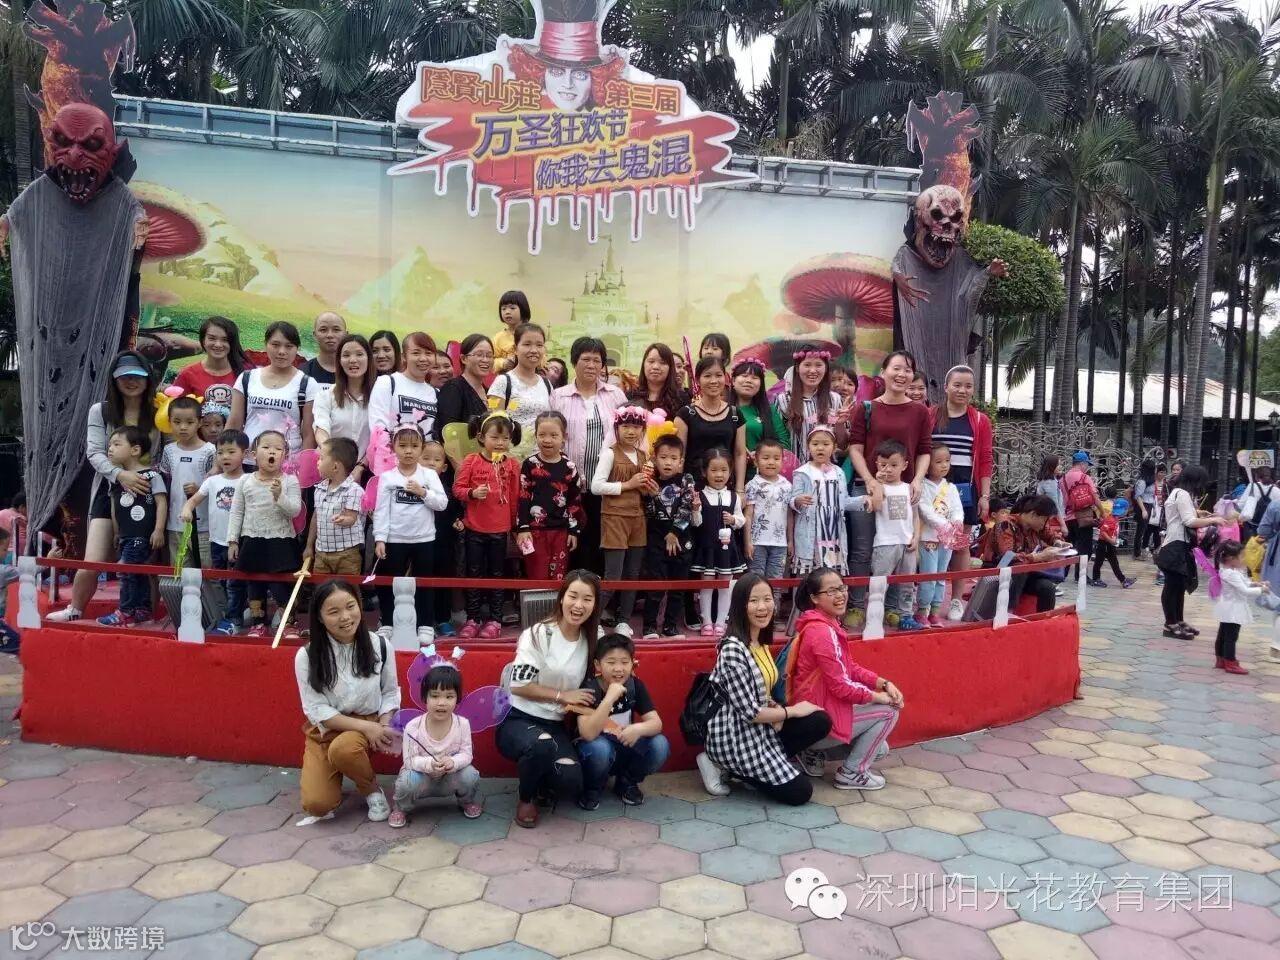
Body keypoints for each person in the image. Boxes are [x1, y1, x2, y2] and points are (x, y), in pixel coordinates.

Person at [48, 351, 163, 623]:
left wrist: (152, 478)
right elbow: (95, 452)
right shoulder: (100, 410)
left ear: (148, 378)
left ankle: (146, 614)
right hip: (109, 488)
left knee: (147, 559)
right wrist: (120, 475)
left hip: (148, 490)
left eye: (137, 376)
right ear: (114, 380)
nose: (131, 382)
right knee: (95, 557)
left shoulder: (160, 409)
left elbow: (167, 450)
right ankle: (75, 608)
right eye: (124, 377)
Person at [696, 574, 831, 804]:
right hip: (735, 735)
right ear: (740, 606)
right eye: (753, 601)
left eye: (767, 599)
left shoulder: (760, 642)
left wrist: (775, 708)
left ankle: (762, 769)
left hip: (760, 727)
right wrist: (789, 712)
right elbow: (751, 712)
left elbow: (761, 692)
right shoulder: (733, 650)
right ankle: (720, 764)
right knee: (801, 793)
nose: (762, 607)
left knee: (819, 720)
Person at [496, 570, 599, 828]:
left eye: (587, 599)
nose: (578, 605)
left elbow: (613, 659)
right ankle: (526, 798)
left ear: (595, 604)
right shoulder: (540, 633)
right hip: (519, 718)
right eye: (573, 596)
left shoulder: (593, 639)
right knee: (540, 745)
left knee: (570, 781)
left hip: (554, 724)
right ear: (561, 598)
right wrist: (562, 696)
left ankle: (539, 777)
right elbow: (519, 685)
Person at [787, 568, 904, 790]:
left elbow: (849, 668)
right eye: (831, 591)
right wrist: (879, 698)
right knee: (889, 711)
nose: (840, 595)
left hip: (816, 715)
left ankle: (811, 753)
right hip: (818, 721)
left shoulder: (823, 624)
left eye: (841, 588)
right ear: (814, 598)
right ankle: (852, 773)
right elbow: (841, 686)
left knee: (880, 749)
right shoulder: (822, 632)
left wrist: (883, 683)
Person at [295, 580, 401, 824]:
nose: (345, 617)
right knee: (317, 805)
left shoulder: (381, 645)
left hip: (370, 721)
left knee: (344, 749)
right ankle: (342, 768)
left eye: (350, 606)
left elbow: (390, 692)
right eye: (334, 612)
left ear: (359, 606)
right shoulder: (307, 656)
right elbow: (316, 708)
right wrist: (367, 728)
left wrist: (383, 724)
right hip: (327, 729)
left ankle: (371, 790)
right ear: (320, 617)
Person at [551, 337, 628, 573]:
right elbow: (549, 433)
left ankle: (599, 590)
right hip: (569, 484)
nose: (592, 365)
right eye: (586, 359)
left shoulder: (616, 395)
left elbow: (628, 434)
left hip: (606, 483)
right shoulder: (558, 396)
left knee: (601, 539)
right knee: (573, 540)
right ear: (575, 362)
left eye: (597, 360)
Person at [572, 633, 668, 809]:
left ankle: (627, 781)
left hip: (623, 744)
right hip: (595, 751)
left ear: (632, 664)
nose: (618, 669)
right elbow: (587, 733)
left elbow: (656, 723)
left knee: (660, 744)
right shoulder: (588, 689)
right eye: (611, 662)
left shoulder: (635, 686)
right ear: (597, 665)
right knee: (599, 748)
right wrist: (609, 698)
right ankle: (592, 787)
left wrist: (638, 729)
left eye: (624, 662)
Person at [373, 425, 448, 642]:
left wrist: (422, 492)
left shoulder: (429, 475)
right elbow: (381, 510)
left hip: (424, 538)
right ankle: (388, 622)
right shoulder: (387, 478)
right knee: (392, 583)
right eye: (403, 445)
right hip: (395, 539)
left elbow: (442, 503)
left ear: (421, 448)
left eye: (414, 446)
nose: (408, 451)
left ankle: (425, 624)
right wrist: (380, 538)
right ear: (393, 447)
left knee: (423, 583)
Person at [929, 366, 994, 614]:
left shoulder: (980, 421)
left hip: (964, 489)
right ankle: (925, 601)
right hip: (932, 487)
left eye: (968, 386)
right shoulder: (931, 415)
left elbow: (985, 459)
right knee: (929, 542)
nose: (962, 390)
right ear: (946, 387)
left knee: (960, 543)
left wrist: (984, 495)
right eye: (957, 385)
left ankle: (956, 600)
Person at [227, 430, 303, 638]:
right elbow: (237, 511)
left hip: (281, 540)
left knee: (280, 585)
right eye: (267, 447)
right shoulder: (245, 480)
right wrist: (233, 540)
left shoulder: (290, 481)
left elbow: (295, 511)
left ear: (285, 455)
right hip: (252, 539)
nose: (272, 452)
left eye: (278, 449)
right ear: (253, 454)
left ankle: (289, 624)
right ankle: (258, 623)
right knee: (254, 583)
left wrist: (279, 496)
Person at [453, 411, 521, 638]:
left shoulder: (512, 465)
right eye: (495, 437)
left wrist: (514, 527)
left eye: (505, 438)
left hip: (500, 530)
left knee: (497, 574)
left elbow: (514, 497)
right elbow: (457, 489)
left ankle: (495, 619)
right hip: (474, 528)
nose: (500, 443)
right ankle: (472, 618)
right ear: (481, 437)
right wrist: (472, 493)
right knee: (473, 573)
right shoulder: (471, 461)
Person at [391, 661, 483, 826]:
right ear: (425, 698)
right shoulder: (413, 727)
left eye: (449, 696)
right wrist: (430, 764)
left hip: (450, 777)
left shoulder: (463, 724)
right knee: (407, 781)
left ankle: (466, 801)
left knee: (470, 775)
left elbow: (467, 754)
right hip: (422, 778)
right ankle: (401, 807)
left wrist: (453, 762)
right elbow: (409, 760)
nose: (442, 702)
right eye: (435, 696)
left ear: (457, 698)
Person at [592, 406, 656, 635]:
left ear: (643, 430)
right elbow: (596, 486)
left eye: (636, 427)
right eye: (625, 426)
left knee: (633, 575)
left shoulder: (644, 456)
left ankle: (624, 621)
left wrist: (651, 489)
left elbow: (644, 491)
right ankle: (592, 620)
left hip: (638, 518)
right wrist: (628, 485)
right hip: (615, 517)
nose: (631, 431)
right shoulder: (610, 453)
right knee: (613, 575)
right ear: (617, 429)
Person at [97, 427, 167, 627]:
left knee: (126, 571)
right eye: (110, 445)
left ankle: (125, 611)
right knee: (137, 572)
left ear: (135, 450)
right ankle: (142, 611)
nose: (110, 449)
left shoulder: (152, 475)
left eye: (117, 444)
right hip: (125, 535)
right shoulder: (116, 478)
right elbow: (115, 506)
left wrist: (158, 530)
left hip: (142, 535)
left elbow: (161, 502)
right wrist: (116, 532)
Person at [184, 430, 247, 634]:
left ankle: (235, 619)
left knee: (235, 582)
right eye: (220, 453)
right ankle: (227, 615)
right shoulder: (212, 481)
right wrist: (187, 509)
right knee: (220, 580)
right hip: (216, 540)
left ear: (245, 454)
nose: (225, 457)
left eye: (231, 452)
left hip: (239, 541)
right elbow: (194, 500)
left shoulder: (249, 480)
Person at [229, 322, 317, 466]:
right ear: (266, 345)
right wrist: (221, 461)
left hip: (287, 465)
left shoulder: (307, 384)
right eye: (275, 345)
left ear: (297, 349)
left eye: (289, 346)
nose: (282, 351)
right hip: (248, 461)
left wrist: (305, 469)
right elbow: (233, 424)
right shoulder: (247, 378)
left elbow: (308, 433)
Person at [640, 435, 697, 639]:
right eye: (663, 457)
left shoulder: (686, 480)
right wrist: (652, 496)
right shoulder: (650, 480)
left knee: (678, 586)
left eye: (673, 458)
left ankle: (670, 626)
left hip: (681, 538)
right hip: (656, 537)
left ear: (681, 461)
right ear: (655, 459)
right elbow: (648, 512)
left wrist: (674, 533)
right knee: (655, 583)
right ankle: (649, 627)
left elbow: (687, 507)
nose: (668, 462)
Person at [791, 426, 864, 580]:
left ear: (834, 447)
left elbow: (844, 501)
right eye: (815, 444)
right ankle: (804, 596)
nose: (820, 448)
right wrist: (797, 500)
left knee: (831, 574)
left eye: (825, 444)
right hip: (811, 530)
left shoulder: (839, 472)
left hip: (833, 530)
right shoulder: (802, 472)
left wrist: (863, 500)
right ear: (808, 447)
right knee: (808, 575)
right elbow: (792, 499)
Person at [517, 411, 583, 581]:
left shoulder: (569, 467)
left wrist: (573, 530)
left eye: (554, 435)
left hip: (561, 531)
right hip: (534, 531)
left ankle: (555, 601)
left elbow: (575, 500)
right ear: (535, 435)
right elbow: (523, 496)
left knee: (558, 577)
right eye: (542, 435)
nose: (547, 440)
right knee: (537, 576)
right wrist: (523, 527)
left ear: (564, 437)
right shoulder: (529, 464)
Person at [688, 447, 747, 637]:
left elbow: (742, 519)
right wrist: (695, 509)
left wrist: (733, 520)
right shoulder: (700, 496)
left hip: (727, 549)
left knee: (725, 587)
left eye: (723, 470)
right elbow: (696, 523)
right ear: (704, 472)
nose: (719, 475)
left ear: (730, 472)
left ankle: (721, 622)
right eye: (714, 470)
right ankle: (706, 621)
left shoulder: (734, 496)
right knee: (706, 587)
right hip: (707, 548)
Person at [868, 439, 924, 630]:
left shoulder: (909, 489)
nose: (888, 469)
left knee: (907, 583)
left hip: (907, 543)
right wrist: (878, 483)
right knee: (879, 583)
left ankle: (906, 616)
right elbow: (876, 506)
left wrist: (916, 537)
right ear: (877, 464)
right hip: (885, 543)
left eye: (893, 465)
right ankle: (874, 616)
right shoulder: (878, 487)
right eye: (883, 465)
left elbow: (915, 516)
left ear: (904, 465)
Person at [675, 357, 748, 495]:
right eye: (707, 376)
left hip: (725, 490)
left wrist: (739, 490)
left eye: (718, 375)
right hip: (693, 491)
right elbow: (680, 455)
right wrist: (678, 490)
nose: (713, 381)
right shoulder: (685, 414)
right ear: (697, 380)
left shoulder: (735, 414)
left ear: (725, 378)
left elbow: (740, 454)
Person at [158, 396, 215, 568]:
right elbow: (166, 483)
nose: (183, 427)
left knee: (207, 572)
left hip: (204, 526)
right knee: (179, 572)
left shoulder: (210, 451)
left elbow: (218, 486)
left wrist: (200, 490)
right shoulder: (169, 451)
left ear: (199, 423)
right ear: (169, 422)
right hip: (175, 524)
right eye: (177, 422)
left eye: (189, 422)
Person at [313, 334, 374, 480]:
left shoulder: (377, 397)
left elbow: (379, 438)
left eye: (359, 354)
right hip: (329, 471)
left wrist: (360, 467)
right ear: (339, 361)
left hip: (364, 473)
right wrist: (334, 458)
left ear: (369, 359)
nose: (353, 360)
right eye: (346, 355)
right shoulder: (326, 396)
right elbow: (321, 429)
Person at [917, 444, 964, 626]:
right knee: (929, 575)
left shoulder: (950, 488)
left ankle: (935, 610)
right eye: (938, 462)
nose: (944, 465)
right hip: (929, 537)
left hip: (948, 538)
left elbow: (957, 508)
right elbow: (925, 510)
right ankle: (922, 610)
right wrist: (943, 525)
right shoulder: (922, 486)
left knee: (941, 575)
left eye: (947, 461)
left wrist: (957, 522)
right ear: (927, 465)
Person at [304, 438, 366, 577]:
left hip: (347, 553)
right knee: (322, 587)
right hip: (321, 551)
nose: (317, 462)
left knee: (347, 586)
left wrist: (343, 519)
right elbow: (315, 518)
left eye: (321, 458)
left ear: (335, 467)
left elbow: (352, 518)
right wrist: (309, 545)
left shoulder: (354, 490)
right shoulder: (319, 489)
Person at [775, 349, 843, 468]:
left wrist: (840, 424)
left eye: (818, 365)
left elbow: (843, 443)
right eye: (807, 365)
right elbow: (778, 439)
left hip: (826, 473)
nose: (812, 370)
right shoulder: (783, 400)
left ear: (826, 368)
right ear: (797, 368)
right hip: (793, 471)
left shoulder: (835, 399)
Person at [489, 323, 552, 449]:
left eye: (539, 345)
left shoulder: (546, 384)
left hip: (541, 456)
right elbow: (492, 425)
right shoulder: (502, 382)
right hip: (511, 455)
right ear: (515, 349)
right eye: (527, 344)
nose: (534, 350)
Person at [744, 438, 792, 604]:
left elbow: (789, 515)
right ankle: (754, 613)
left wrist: (790, 541)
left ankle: (773, 613)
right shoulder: (752, 485)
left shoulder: (787, 486)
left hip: (780, 543)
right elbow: (748, 514)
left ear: (782, 461)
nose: (771, 462)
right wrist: (748, 542)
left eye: (776, 458)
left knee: (776, 581)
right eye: (765, 458)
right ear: (756, 461)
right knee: (756, 581)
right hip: (757, 542)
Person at [368, 332, 438, 440]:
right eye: (416, 353)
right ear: (404, 357)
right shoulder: (387, 382)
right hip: (390, 450)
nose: (423, 358)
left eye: (428, 353)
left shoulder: (435, 393)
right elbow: (378, 427)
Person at [434, 335, 496, 457]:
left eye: (489, 356)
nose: (485, 360)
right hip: (462, 463)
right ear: (463, 359)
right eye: (479, 355)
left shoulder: (490, 392)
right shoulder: (453, 388)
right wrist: (461, 466)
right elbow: (447, 433)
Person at [171, 316, 251, 404]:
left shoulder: (248, 373)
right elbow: (174, 407)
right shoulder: (187, 374)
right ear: (203, 340)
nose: (218, 344)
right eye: (212, 338)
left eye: (225, 340)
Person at [1212, 540, 1263, 675]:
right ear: (1231, 558)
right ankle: (1230, 661)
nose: (1243, 559)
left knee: (1223, 634)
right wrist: (1262, 590)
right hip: (1234, 608)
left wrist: (1256, 584)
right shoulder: (1232, 573)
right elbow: (1244, 590)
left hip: (1227, 606)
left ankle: (1220, 659)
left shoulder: (1226, 570)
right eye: (1241, 556)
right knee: (1231, 637)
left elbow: (1243, 583)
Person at [732, 360, 789, 460]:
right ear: (733, 381)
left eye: (755, 378)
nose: (749, 381)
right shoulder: (723, 409)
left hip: (761, 467)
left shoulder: (769, 410)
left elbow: (784, 443)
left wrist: (762, 454)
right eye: (744, 376)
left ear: (761, 384)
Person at [1061, 451, 1102, 579]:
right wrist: (1102, 512)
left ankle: (1062, 574)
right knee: (1085, 549)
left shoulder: (1063, 479)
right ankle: (1080, 575)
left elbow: (1062, 499)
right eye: (1087, 464)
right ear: (1082, 463)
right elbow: (1095, 497)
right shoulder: (1085, 478)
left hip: (1068, 518)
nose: (1087, 467)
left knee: (1069, 548)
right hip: (1084, 518)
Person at [630, 343, 686, 419]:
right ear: (643, 364)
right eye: (651, 361)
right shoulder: (631, 395)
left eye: (663, 363)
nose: (655, 367)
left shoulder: (681, 398)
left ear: (670, 368)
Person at [1089, 501, 1136, 588]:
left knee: (1114, 563)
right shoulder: (1111, 519)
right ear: (1122, 510)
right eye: (1126, 509)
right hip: (1104, 544)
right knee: (1099, 562)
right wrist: (1111, 540)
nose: (1127, 511)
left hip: (1108, 544)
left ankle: (1123, 580)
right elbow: (1103, 531)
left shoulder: (1114, 518)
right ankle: (1095, 579)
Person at [303, 312, 347, 387]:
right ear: (314, 335)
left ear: (346, 335)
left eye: (336, 330)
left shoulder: (357, 372)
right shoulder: (302, 374)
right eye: (323, 330)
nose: (330, 335)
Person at [1238, 466, 1280, 542]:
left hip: (1251, 525)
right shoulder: (1276, 490)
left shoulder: (1252, 486)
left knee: (1251, 547)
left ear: (1257, 477)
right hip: (1269, 527)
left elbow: (1241, 504)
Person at [493, 290, 531, 367]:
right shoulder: (498, 338)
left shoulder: (532, 334)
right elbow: (490, 361)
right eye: (503, 309)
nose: (507, 312)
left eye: (512, 308)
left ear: (523, 309)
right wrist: (503, 363)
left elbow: (541, 357)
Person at [0, 528, 21, 655]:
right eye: (4, 549)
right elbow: (27, 570)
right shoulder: (3, 571)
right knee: (17, 643)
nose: (6, 553)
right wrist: (48, 560)